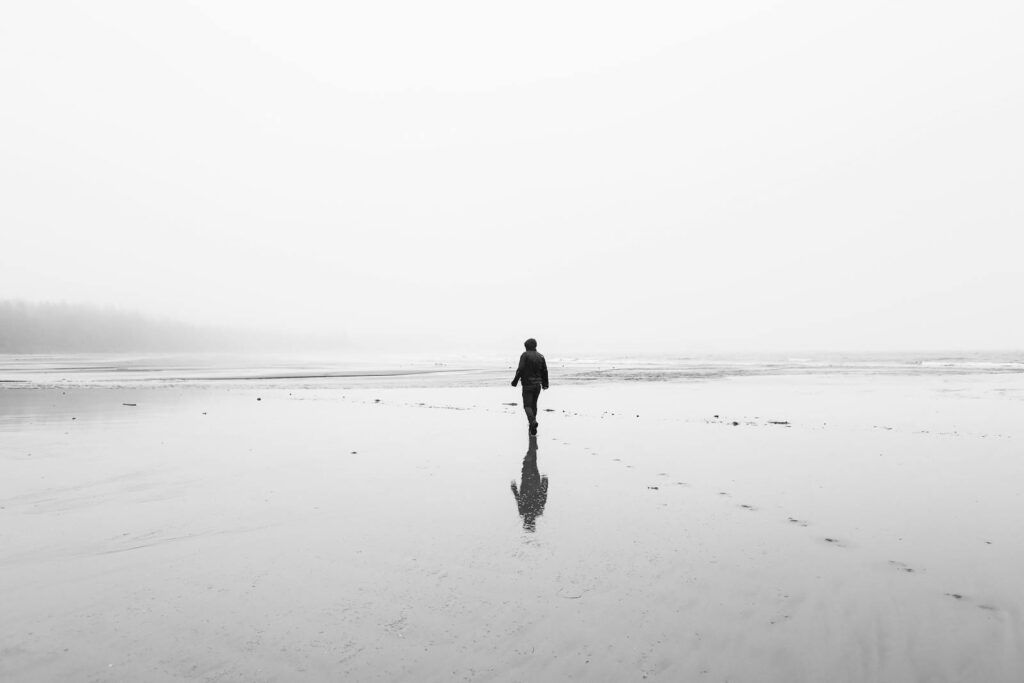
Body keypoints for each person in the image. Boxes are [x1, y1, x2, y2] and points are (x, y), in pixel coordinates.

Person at [511, 337, 549, 435]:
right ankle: (532, 427)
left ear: (527, 347)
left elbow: (520, 369)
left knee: (527, 406)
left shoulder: (525, 355)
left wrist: (515, 381)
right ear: (535, 346)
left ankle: (532, 422)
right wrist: (545, 384)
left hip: (527, 384)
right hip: (537, 385)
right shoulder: (541, 356)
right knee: (534, 405)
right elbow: (544, 371)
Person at [510, 435, 548, 532]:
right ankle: (532, 442)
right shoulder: (533, 511)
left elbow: (543, 496)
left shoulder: (536, 511)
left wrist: (544, 482)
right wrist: (514, 489)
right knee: (528, 462)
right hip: (528, 482)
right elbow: (543, 496)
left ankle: (533, 442)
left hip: (532, 482)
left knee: (532, 462)